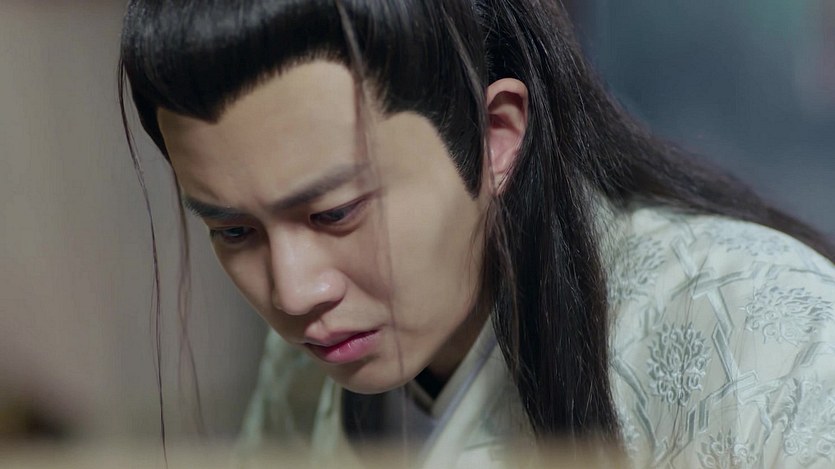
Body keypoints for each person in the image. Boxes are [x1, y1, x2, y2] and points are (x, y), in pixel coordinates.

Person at [118, 0, 835, 467]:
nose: (294, 291)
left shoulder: (758, 329)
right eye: (235, 231)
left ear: (495, 135)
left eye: (335, 213)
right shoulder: (309, 367)